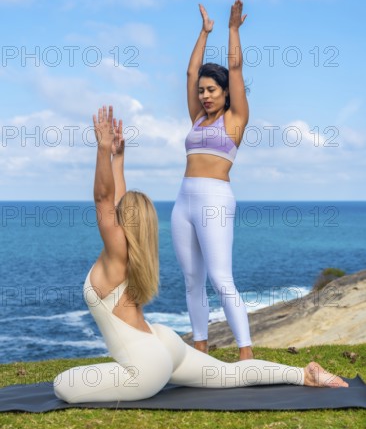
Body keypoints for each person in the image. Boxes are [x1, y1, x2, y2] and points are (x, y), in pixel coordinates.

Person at [53, 105, 348, 404]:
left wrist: (103, 149)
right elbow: (115, 201)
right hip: (163, 342)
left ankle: (303, 375)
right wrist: (119, 159)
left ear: (120, 222)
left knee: (61, 385)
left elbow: (104, 197)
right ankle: (303, 374)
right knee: (229, 374)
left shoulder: (117, 254)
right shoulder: (135, 253)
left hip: (146, 368)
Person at [171, 0, 253, 360]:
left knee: (221, 279)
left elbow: (235, 67)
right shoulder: (197, 119)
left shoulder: (234, 119)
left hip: (216, 199)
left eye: (211, 90)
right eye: (202, 91)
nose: (204, 95)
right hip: (183, 201)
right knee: (192, 280)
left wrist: (232, 31)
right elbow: (190, 73)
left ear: (225, 93)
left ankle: (246, 354)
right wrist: (204, 33)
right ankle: (200, 348)